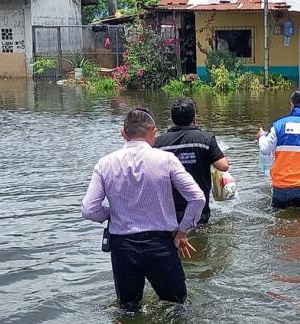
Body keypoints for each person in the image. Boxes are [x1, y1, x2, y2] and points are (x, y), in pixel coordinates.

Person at [81, 107, 206, 312]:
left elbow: (88, 209)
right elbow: (197, 198)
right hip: (161, 245)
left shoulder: (105, 164)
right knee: (177, 307)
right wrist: (182, 231)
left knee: (129, 310)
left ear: (123, 133)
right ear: (153, 131)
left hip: (123, 248)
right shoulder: (166, 160)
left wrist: (113, 214)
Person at [155, 98, 229, 225]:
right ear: (194, 117)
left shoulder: (158, 143)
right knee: (199, 239)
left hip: (168, 209)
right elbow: (223, 166)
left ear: (172, 119)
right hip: (199, 207)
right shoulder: (206, 139)